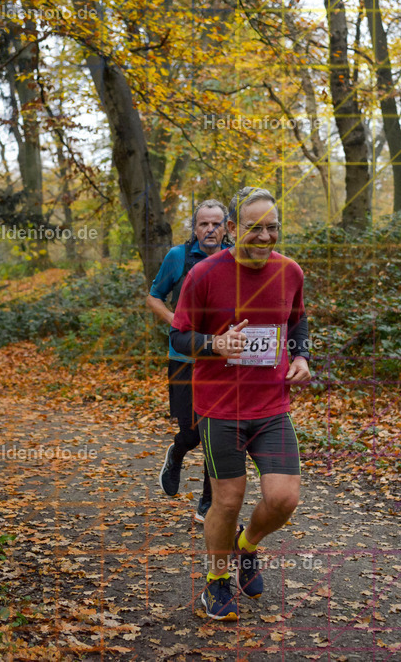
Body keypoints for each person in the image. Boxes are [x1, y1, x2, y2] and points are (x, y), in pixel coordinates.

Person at [170, 186, 311, 621]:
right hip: (220, 407)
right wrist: (215, 343)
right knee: (227, 501)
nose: (266, 237)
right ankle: (215, 583)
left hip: (271, 405)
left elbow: (298, 319)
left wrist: (303, 355)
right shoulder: (204, 274)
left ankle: (246, 547)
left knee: (285, 498)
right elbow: (178, 335)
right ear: (233, 229)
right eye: (255, 228)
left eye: (273, 228)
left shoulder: (290, 272)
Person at [146, 199, 229, 523]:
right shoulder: (178, 257)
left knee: (216, 433)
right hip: (184, 358)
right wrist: (174, 318)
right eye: (203, 224)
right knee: (192, 434)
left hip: (222, 360)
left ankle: (208, 503)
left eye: (216, 223)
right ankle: (177, 452)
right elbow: (154, 296)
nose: (210, 229)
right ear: (194, 229)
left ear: (227, 227)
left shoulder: (235, 258)